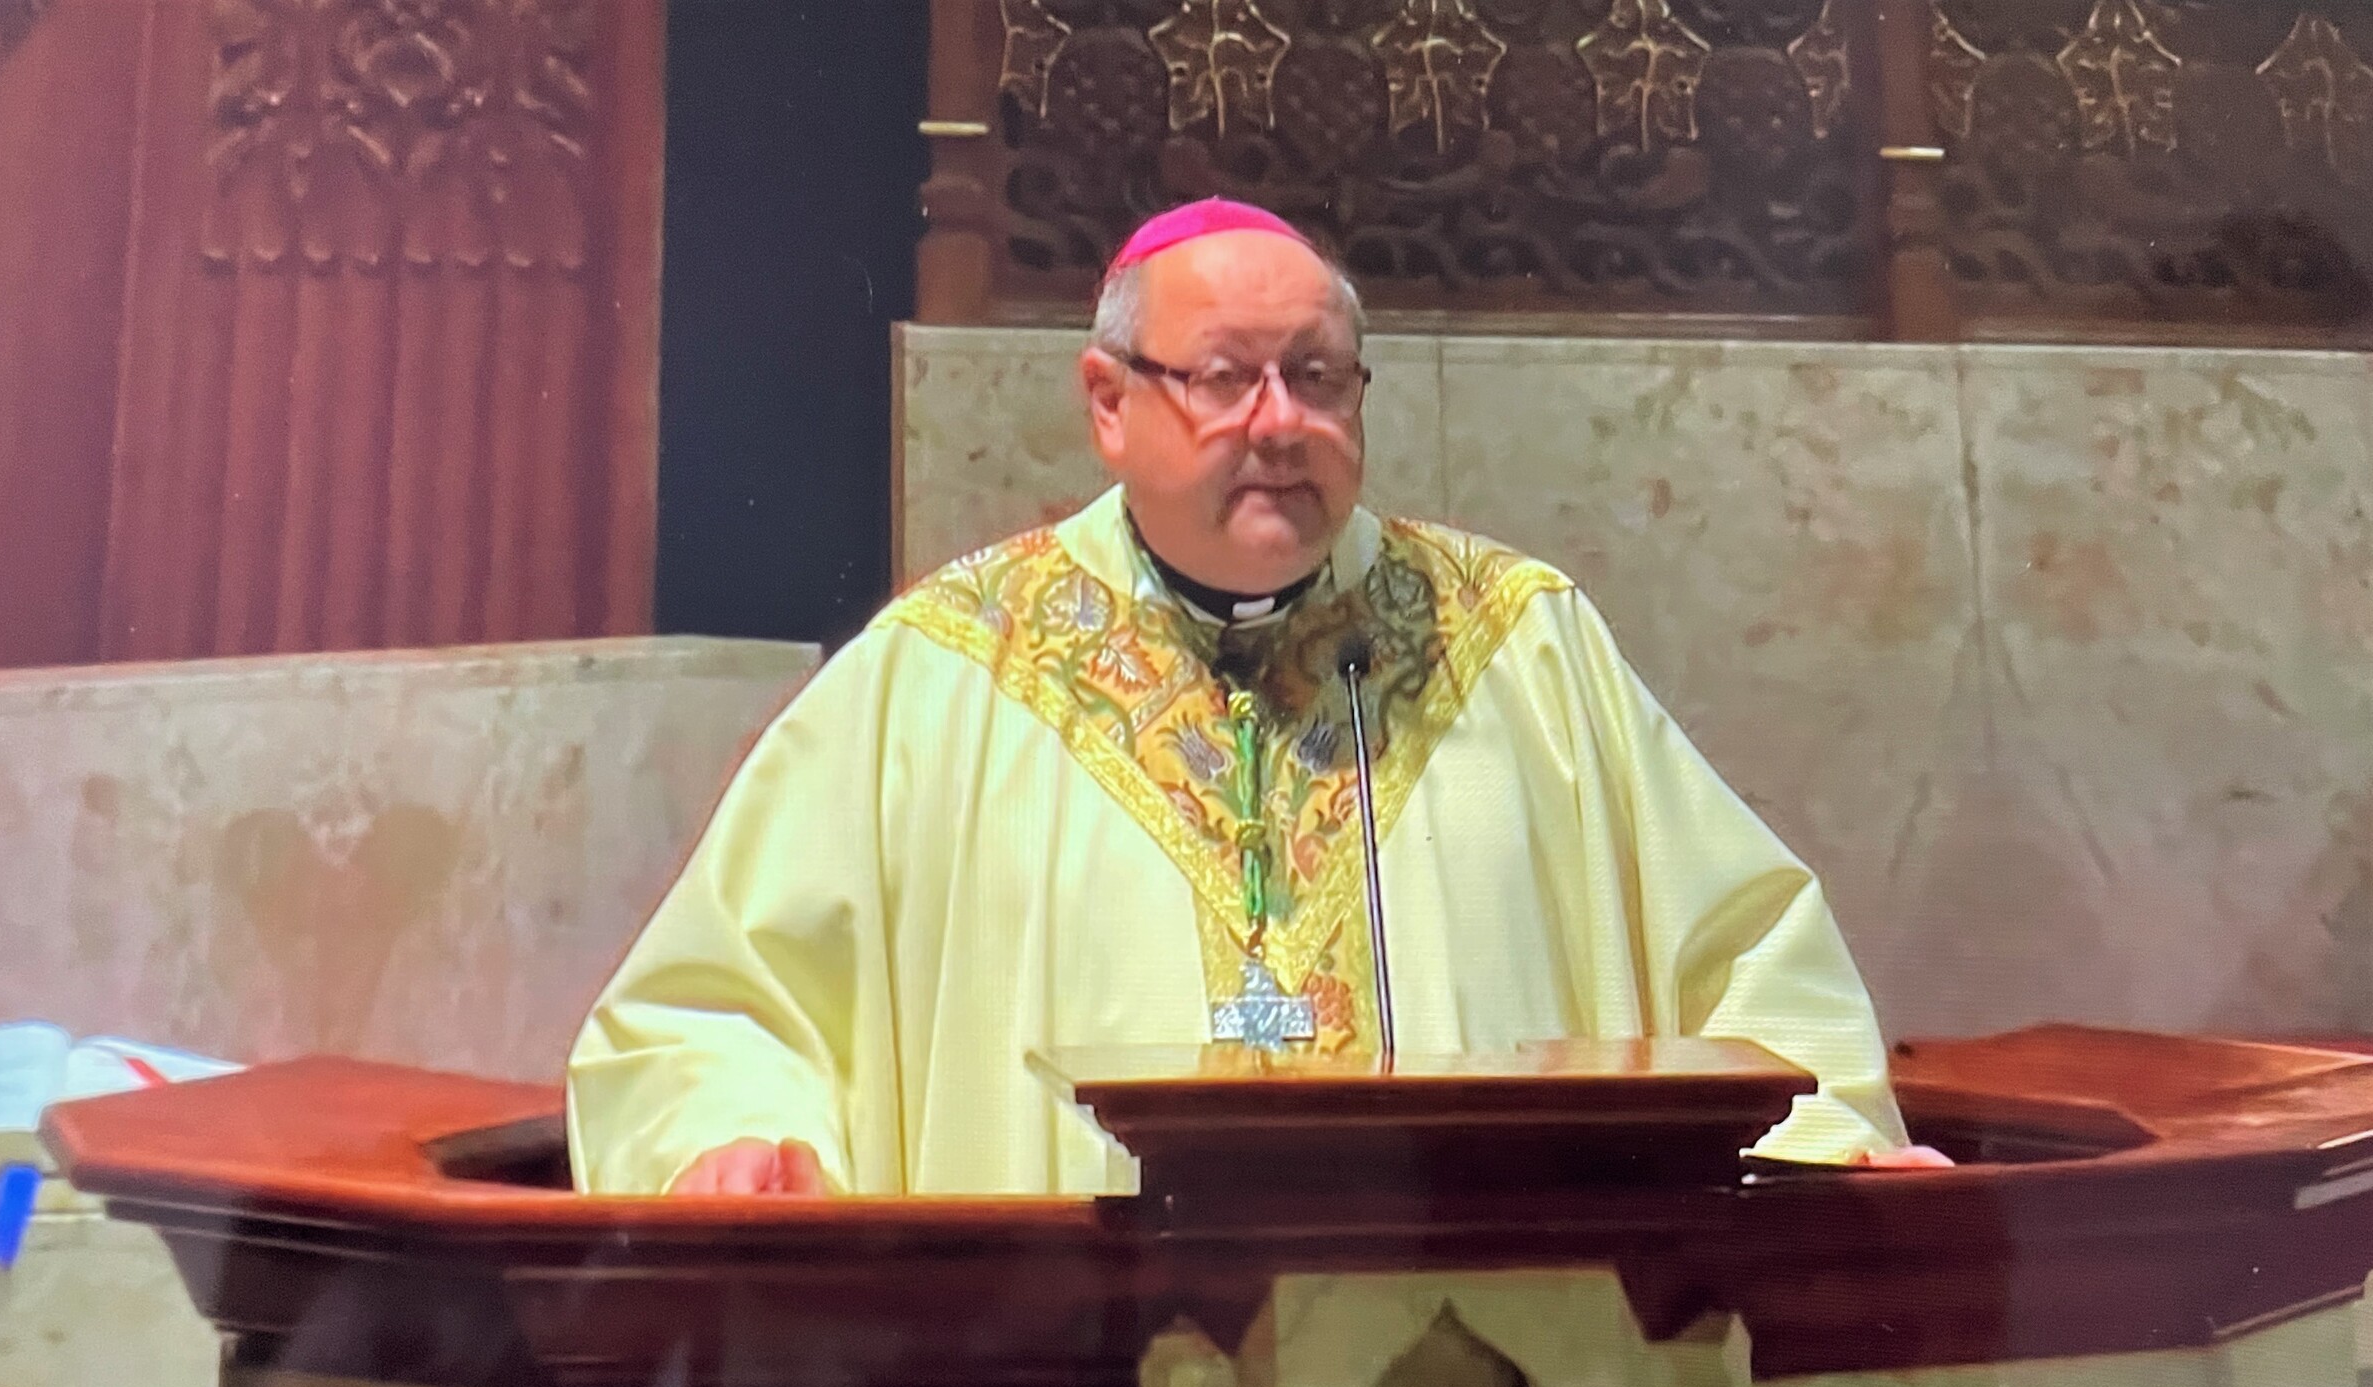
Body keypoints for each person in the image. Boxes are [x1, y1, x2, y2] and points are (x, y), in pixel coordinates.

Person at [566, 199, 1937, 1198]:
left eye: (1318, 378)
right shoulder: (940, 672)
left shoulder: (1519, 646)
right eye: (1225, 379)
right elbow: (710, 1012)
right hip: (1062, 1372)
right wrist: (727, 1144)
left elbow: (1748, 954)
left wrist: (1829, 1155)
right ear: (1109, 403)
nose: (1279, 421)